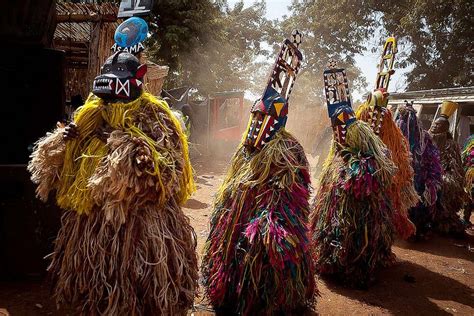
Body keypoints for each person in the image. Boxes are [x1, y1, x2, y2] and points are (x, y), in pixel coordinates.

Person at [28, 51, 198, 314]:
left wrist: (125, 143)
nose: (112, 100)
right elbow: (56, 168)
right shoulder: (93, 113)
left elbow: (168, 172)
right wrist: (67, 138)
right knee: (96, 287)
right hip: (93, 218)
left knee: (139, 286)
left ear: (138, 82)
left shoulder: (157, 116)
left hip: (142, 223)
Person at [202, 31, 317, 315]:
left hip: (267, 229)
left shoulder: (289, 149)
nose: (256, 123)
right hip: (238, 217)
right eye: (255, 117)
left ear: (277, 120)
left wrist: (271, 217)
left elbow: (294, 195)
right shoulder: (245, 148)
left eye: (262, 118)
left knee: (261, 270)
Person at [311, 63, 397, 289]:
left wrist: (355, 173)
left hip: (361, 211)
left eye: (340, 125)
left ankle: (358, 271)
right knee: (335, 231)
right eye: (335, 126)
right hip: (338, 204)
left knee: (357, 237)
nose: (337, 130)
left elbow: (380, 171)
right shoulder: (339, 148)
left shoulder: (365, 146)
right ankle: (333, 265)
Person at [394, 101, 442, 239]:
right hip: (401, 177)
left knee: (416, 203)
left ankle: (415, 229)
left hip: (418, 178)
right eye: (404, 118)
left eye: (409, 118)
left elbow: (433, 159)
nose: (406, 122)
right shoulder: (394, 136)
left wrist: (431, 178)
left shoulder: (423, 137)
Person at [429, 101, 467, 236]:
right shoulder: (427, 140)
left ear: (445, 127)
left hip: (444, 178)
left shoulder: (451, 145)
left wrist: (443, 176)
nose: (434, 126)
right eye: (434, 123)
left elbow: (455, 169)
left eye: (438, 124)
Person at [462, 135, 474, 228]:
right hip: (471, 175)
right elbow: (465, 158)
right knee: (469, 198)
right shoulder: (470, 140)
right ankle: (466, 218)